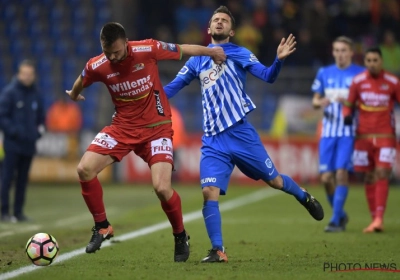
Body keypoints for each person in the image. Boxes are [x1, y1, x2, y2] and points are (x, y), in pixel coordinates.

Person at [164, 6, 324, 263]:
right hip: (213, 140)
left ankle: (304, 196)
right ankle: (218, 250)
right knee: (209, 192)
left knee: (274, 181)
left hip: (241, 133)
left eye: (224, 20)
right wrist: (144, 98)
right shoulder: (196, 60)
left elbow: (268, 77)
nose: (219, 22)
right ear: (209, 28)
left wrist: (279, 60)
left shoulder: (240, 53)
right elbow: (171, 88)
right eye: (215, 19)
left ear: (232, 30)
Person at [65, 22, 226, 262]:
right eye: (107, 52)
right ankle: (102, 226)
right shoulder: (98, 64)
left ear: (126, 43)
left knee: (162, 188)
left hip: (156, 129)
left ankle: (180, 235)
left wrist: (211, 51)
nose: (112, 56)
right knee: (84, 169)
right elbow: (82, 77)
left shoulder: (147, 49)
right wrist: (75, 93)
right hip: (122, 128)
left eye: (117, 52)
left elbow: (182, 49)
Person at [343, 47, 400, 233]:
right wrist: (347, 116)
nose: (372, 64)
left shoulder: (392, 81)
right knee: (367, 176)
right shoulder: (358, 81)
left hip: (386, 136)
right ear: (365, 62)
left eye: (375, 60)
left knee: (382, 173)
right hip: (363, 137)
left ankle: (379, 219)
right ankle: (374, 217)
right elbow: (348, 105)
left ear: (381, 61)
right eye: (369, 60)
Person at [311, 36, 365, 232]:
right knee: (326, 179)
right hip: (328, 132)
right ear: (333, 52)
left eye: (344, 50)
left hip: (348, 131)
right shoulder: (324, 73)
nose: (340, 54)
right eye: (337, 50)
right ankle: (340, 215)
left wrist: (351, 101)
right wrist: (321, 101)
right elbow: (315, 100)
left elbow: (366, 101)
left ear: (351, 52)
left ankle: (335, 220)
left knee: (341, 174)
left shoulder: (360, 74)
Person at [0, 60, 45, 222]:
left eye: (30, 74)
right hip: (12, 145)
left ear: (33, 76)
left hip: (29, 145)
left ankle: (18, 212)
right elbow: (2, 116)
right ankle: (4, 212)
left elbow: (41, 117)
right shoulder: (9, 93)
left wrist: (37, 133)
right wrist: (14, 132)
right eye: (24, 74)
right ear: (19, 74)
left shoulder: (36, 94)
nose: (27, 77)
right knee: (7, 178)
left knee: (22, 180)